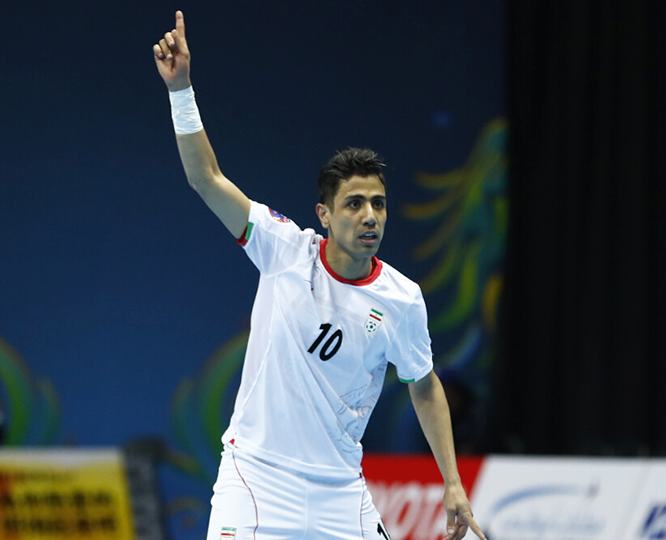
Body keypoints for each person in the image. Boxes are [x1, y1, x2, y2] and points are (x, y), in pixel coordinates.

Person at [153, 12, 487, 540]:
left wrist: (452, 482)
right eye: (354, 204)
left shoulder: (402, 298)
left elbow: (424, 385)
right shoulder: (283, 248)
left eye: (378, 203)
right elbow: (206, 178)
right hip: (257, 479)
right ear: (324, 214)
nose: (370, 215)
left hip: (339, 491)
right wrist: (181, 89)